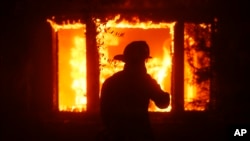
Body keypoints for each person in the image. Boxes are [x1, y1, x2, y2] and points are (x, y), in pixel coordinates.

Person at [100, 41, 170, 141]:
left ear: (125, 61)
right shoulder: (145, 81)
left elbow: (104, 113)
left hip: (115, 134)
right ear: (142, 62)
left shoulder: (110, 82)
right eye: (144, 61)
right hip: (140, 134)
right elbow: (163, 103)